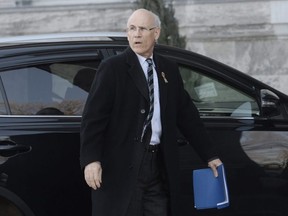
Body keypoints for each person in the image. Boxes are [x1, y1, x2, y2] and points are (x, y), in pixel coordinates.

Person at [80, 8, 222, 216]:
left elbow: (187, 115)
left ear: (156, 33)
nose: (136, 34)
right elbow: (93, 118)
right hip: (122, 167)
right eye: (131, 29)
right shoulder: (112, 68)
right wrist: (91, 160)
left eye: (142, 29)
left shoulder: (168, 69)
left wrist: (209, 154)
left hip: (158, 166)